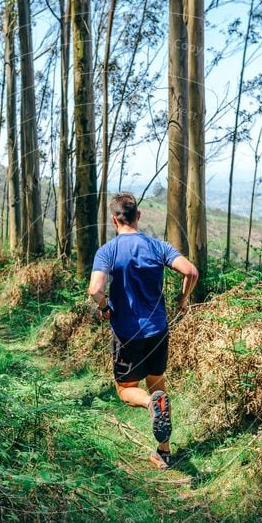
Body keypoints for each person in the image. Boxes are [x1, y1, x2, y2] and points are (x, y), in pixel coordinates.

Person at [88, 192, 199, 469]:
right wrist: (182, 300)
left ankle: (150, 404)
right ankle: (164, 452)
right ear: (138, 216)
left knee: (126, 390)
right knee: (158, 383)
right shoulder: (158, 246)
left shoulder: (108, 251)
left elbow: (95, 289)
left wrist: (105, 307)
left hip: (127, 334)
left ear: (114, 220)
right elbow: (191, 272)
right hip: (158, 330)